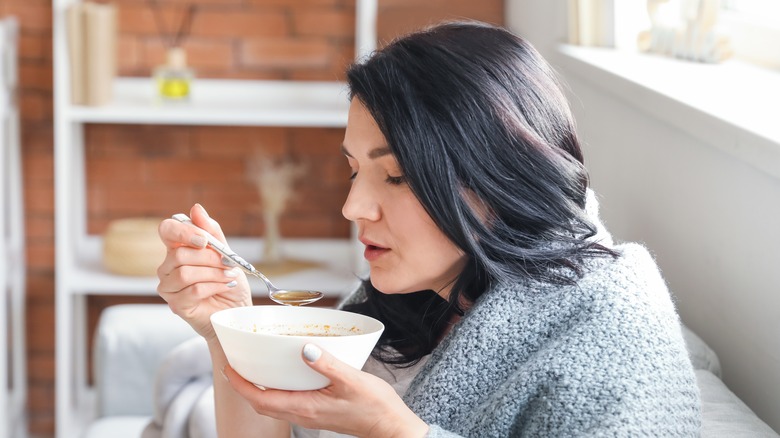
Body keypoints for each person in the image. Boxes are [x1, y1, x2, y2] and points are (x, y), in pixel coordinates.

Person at [156, 21, 701, 437]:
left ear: (500, 176)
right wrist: (229, 329)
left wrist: (400, 432)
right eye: (354, 170)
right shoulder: (416, 292)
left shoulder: (609, 323)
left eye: (396, 176)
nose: (353, 208)